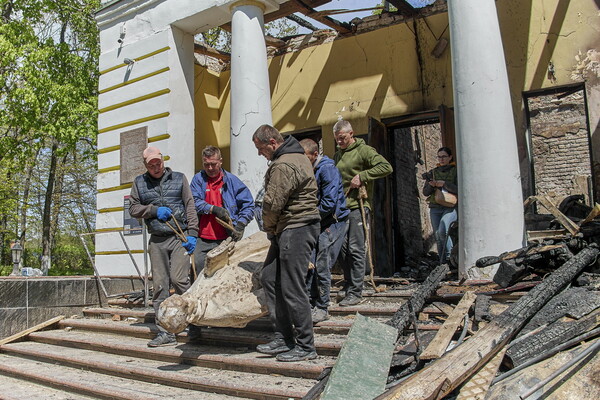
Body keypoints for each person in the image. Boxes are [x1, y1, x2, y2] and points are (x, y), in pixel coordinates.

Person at [252, 124, 321, 362]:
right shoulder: (295, 156)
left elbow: (272, 204)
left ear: (272, 143)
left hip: (296, 227)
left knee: (292, 286)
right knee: (270, 277)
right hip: (289, 227)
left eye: (261, 149)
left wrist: (268, 228)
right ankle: (283, 337)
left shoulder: (283, 164)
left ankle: (305, 346)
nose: (261, 154)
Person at [129, 146, 198, 347]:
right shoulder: (139, 183)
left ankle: (193, 324)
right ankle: (165, 332)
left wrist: (192, 234)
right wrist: (153, 210)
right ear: (145, 165)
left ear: (163, 161)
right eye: (151, 165)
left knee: (180, 280)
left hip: (179, 237)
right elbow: (133, 208)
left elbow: (190, 204)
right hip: (157, 238)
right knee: (159, 286)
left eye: (158, 163)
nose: (156, 167)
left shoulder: (179, 178)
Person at [333, 120, 393, 306]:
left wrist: (362, 176)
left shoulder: (364, 151)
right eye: (337, 139)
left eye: (342, 138)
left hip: (358, 206)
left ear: (351, 134)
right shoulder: (338, 155)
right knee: (341, 250)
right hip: (341, 208)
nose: (339, 142)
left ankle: (356, 292)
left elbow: (386, 167)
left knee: (355, 248)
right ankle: (350, 283)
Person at [299, 138, 349, 324]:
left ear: (314, 154)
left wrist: (307, 218)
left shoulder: (327, 169)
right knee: (309, 262)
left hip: (332, 222)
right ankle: (311, 303)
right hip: (318, 221)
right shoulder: (309, 169)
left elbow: (329, 203)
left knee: (322, 263)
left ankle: (322, 307)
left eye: (305, 157)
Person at [190, 145, 255, 271]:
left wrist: (241, 224)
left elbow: (248, 205)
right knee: (200, 272)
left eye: (213, 164)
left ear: (220, 161)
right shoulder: (198, 179)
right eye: (206, 164)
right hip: (202, 238)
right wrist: (214, 209)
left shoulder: (232, 181)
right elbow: (194, 201)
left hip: (226, 238)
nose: (210, 168)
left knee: (225, 273)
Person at [422, 147, 458, 264]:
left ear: (450, 157)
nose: (441, 159)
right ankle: (443, 263)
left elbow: (460, 189)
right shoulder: (433, 172)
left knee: (443, 230)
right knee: (437, 235)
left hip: (450, 206)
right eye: (439, 157)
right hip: (435, 207)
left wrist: (445, 184)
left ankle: (450, 258)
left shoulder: (456, 171)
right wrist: (432, 185)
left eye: (444, 156)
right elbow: (425, 192)